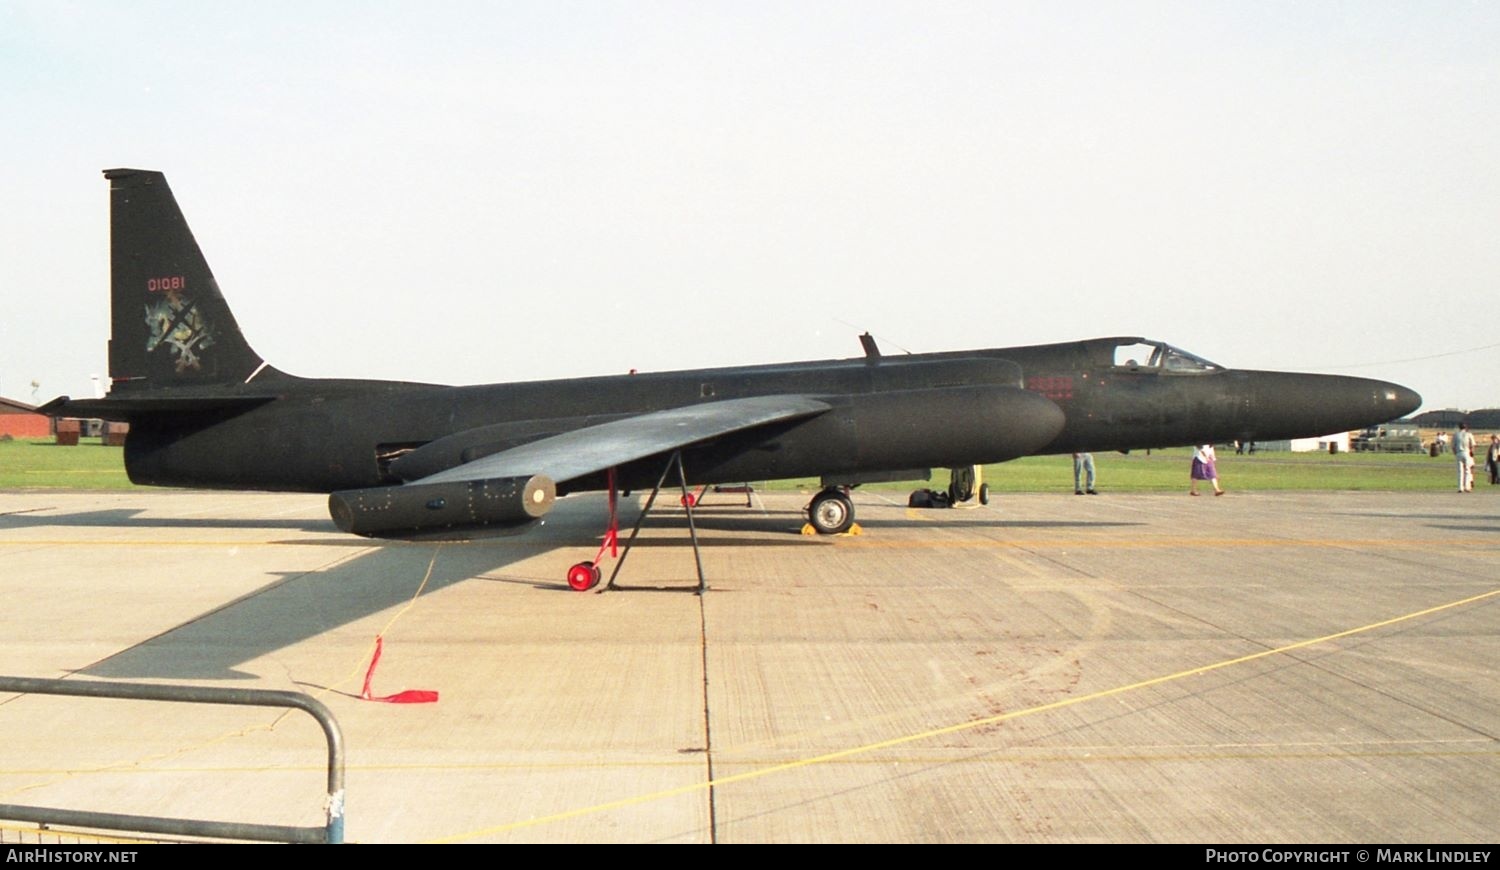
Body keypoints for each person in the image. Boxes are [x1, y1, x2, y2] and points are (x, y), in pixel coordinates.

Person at [1454, 422, 1476, 492]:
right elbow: (1472, 445)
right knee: (1467, 470)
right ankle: (1467, 486)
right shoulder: (1469, 434)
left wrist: (1455, 453)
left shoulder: (1456, 435)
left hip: (1459, 453)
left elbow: (1453, 446)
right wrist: (1472, 452)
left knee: (1460, 471)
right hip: (1467, 452)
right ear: (1465, 427)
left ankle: (1460, 487)